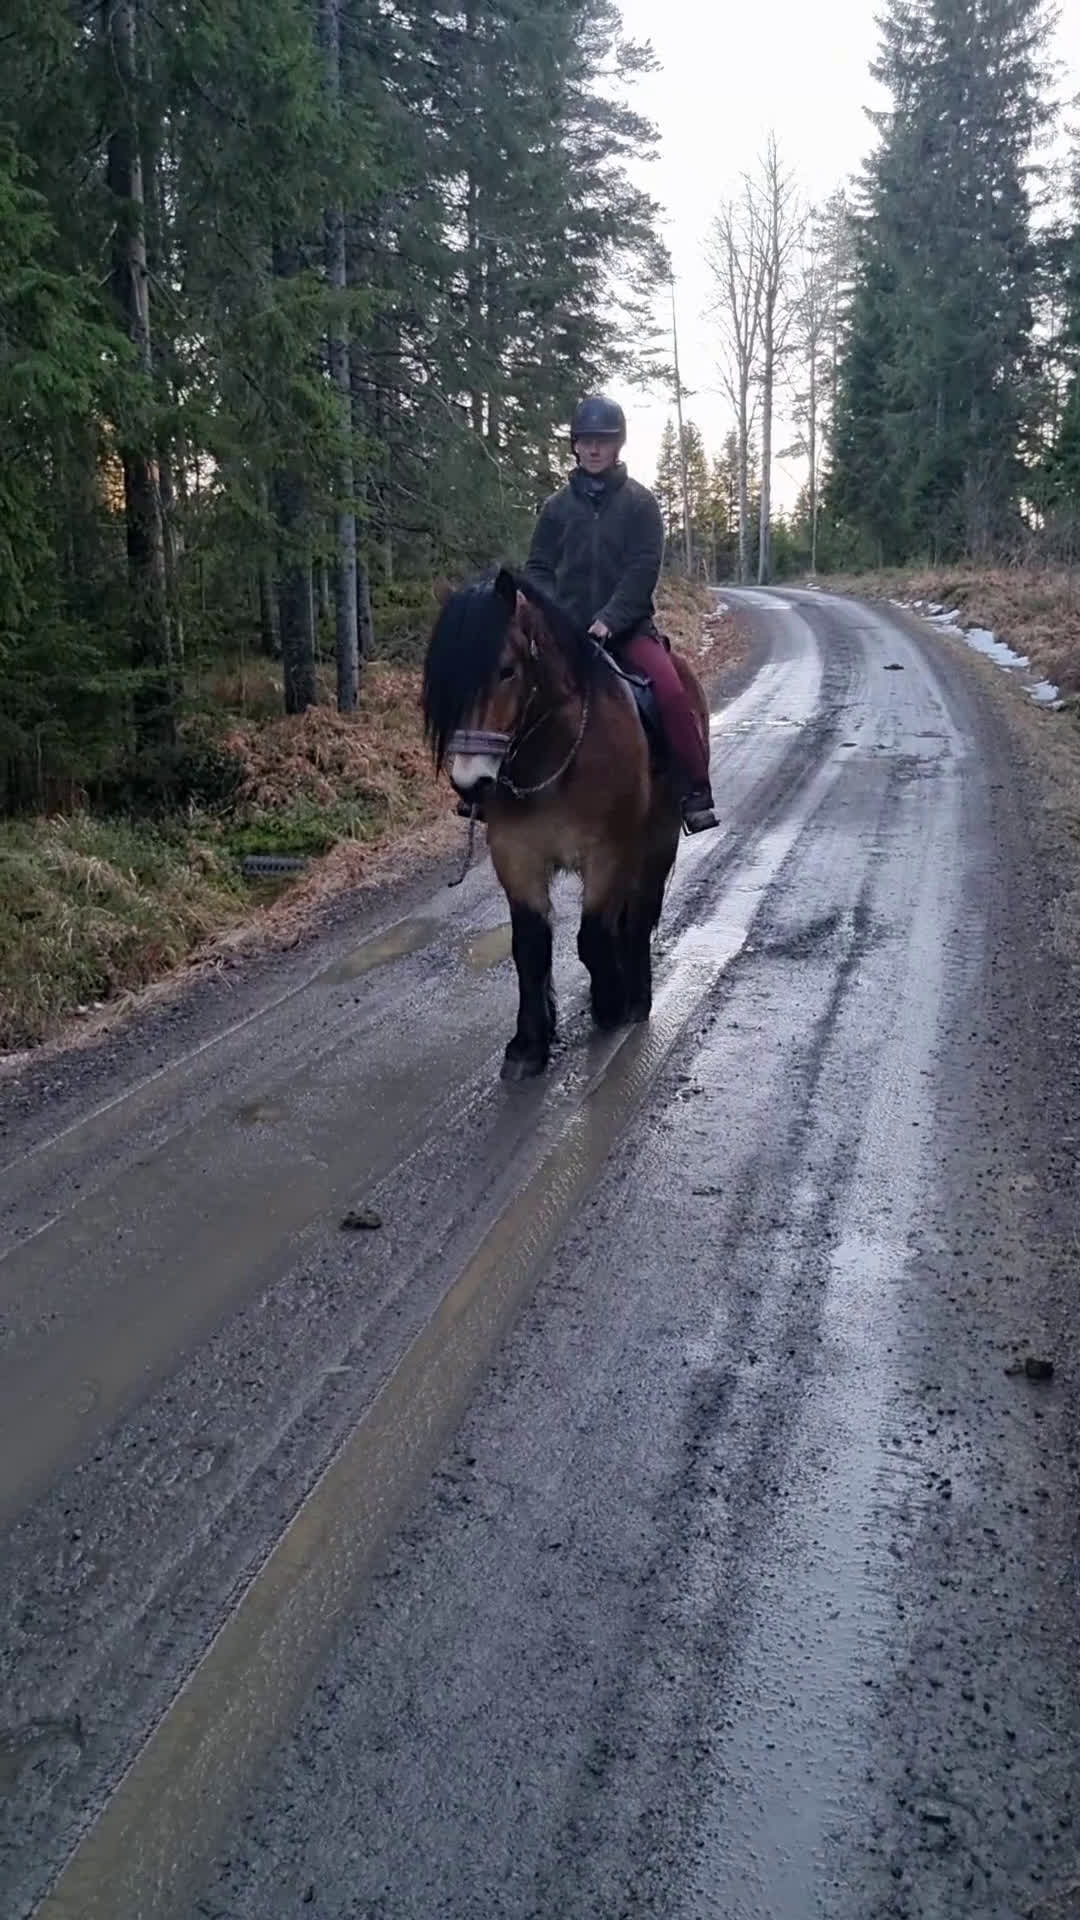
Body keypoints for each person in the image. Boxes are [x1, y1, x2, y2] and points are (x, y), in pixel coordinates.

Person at [525, 394, 717, 833]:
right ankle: (490, 794)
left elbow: (641, 572)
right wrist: (558, 617)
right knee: (512, 691)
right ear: (574, 445)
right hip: (565, 632)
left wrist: (609, 619)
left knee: (670, 691)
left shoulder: (641, 505)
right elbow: (537, 569)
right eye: (586, 440)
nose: (594, 449)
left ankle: (694, 790)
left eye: (604, 441)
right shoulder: (555, 509)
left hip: (628, 631)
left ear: (618, 446)